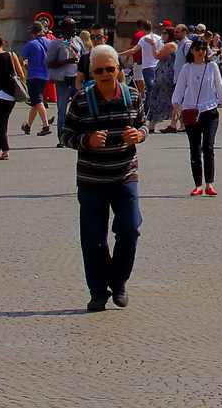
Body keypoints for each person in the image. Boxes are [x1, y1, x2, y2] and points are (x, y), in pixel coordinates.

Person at [61, 45, 145, 311]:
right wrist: (86, 140)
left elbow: (143, 124)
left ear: (118, 69)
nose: (106, 74)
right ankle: (98, 291)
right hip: (92, 179)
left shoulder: (132, 96)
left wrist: (140, 135)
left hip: (124, 175)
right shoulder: (81, 101)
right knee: (94, 238)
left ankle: (119, 282)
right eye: (99, 71)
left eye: (110, 69)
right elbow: (65, 135)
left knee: (130, 229)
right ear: (91, 73)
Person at [172, 35, 222, 195]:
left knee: (208, 147)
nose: (201, 52)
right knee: (195, 149)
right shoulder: (186, 68)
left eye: (204, 48)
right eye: (198, 49)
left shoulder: (212, 67)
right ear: (192, 50)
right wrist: (176, 106)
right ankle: (198, 184)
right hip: (191, 112)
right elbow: (179, 90)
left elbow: (220, 87)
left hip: (210, 111)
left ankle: (209, 183)